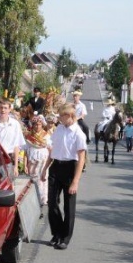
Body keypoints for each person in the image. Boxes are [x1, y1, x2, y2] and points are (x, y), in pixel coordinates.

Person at [40, 104, 87, 250]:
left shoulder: (78, 133)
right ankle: (57, 233)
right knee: (52, 203)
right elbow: (52, 150)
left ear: (70, 117)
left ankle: (65, 237)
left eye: (62, 116)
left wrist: (75, 181)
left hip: (70, 168)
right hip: (55, 166)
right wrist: (44, 169)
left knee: (69, 206)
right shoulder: (59, 129)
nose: (59, 118)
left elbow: (81, 159)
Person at [0, 99, 26, 177]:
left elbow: (16, 146)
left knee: (9, 186)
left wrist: (16, 166)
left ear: (9, 109)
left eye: (5, 108)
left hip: (9, 160)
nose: (3, 110)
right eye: (1, 107)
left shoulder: (15, 124)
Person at [24, 115, 51, 205]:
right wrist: (24, 165)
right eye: (35, 124)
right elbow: (25, 152)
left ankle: (43, 198)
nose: (37, 126)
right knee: (34, 178)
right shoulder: (29, 136)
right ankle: (34, 198)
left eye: (39, 124)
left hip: (43, 160)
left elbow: (50, 149)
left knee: (43, 179)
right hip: (32, 160)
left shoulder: (46, 135)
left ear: (42, 125)